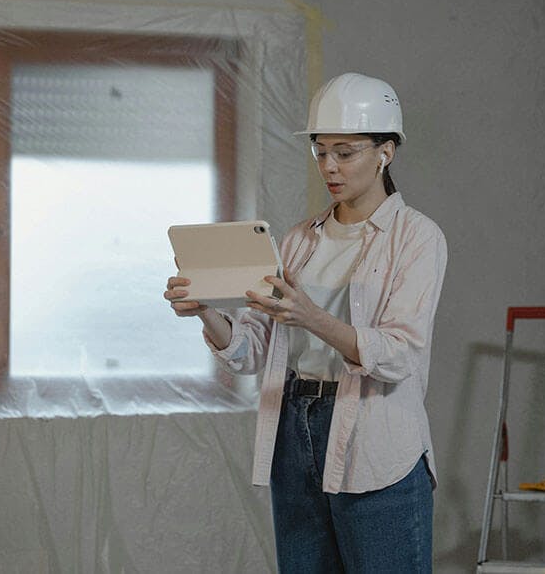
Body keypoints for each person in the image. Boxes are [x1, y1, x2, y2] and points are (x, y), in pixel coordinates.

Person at [164, 72, 447, 573]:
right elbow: (253, 349)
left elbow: (399, 354)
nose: (329, 167)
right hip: (294, 431)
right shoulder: (297, 241)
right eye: (320, 152)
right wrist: (205, 310)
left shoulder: (417, 238)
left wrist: (314, 319)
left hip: (376, 438)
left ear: (386, 151)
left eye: (345, 151)